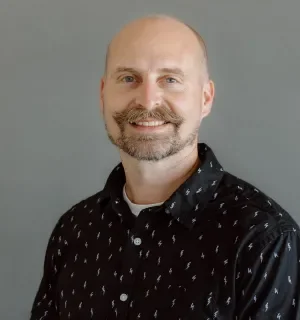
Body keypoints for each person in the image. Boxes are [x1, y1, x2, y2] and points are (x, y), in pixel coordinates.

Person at [30, 14, 300, 320]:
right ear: (103, 95)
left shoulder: (262, 237)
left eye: (170, 80)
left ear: (205, 98)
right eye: (129, 78)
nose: (147, 101)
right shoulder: (74, 229)